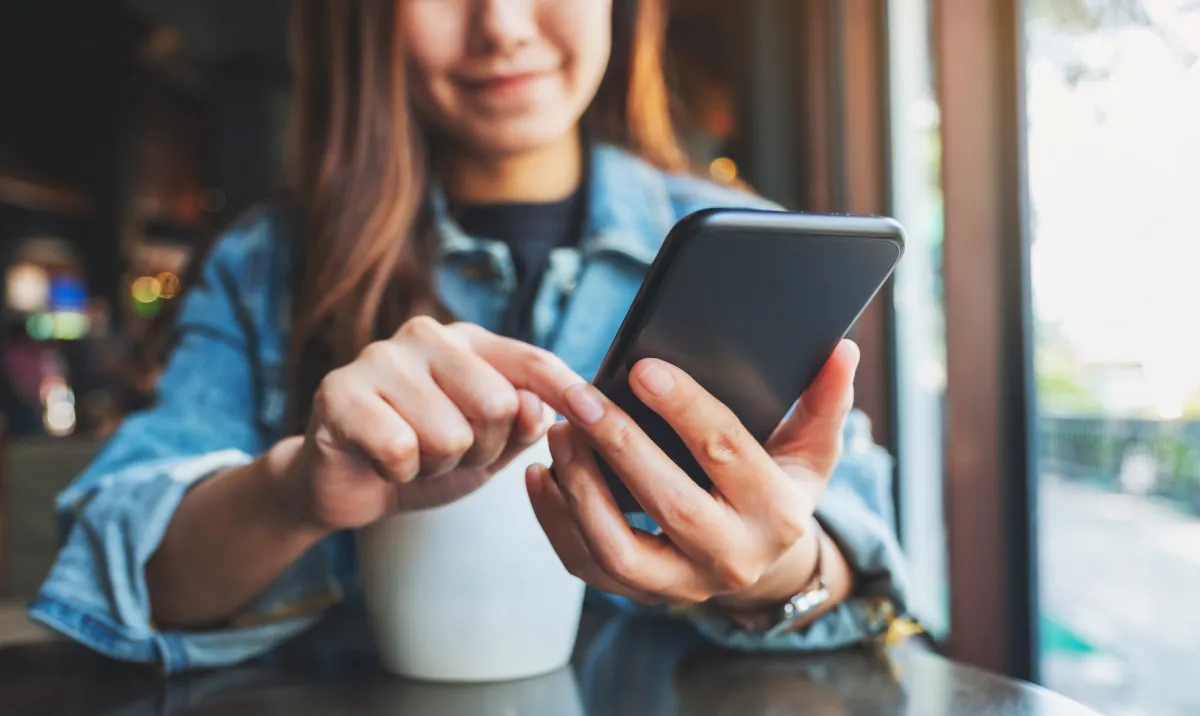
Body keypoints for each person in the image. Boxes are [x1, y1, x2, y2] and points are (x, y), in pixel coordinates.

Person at [31, 0, 908, 672]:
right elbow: (119, 572)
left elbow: (870, 579)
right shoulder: (265, 264)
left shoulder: (746, 243)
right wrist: (296, 489)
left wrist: (779, 569)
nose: (503, 27)